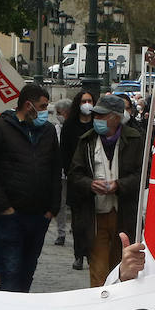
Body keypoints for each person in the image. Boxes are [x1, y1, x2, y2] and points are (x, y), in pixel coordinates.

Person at [0, 83, 64, 292]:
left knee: (28, 269)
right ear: (28, 105)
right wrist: (4, 206)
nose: (45, 112)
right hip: (11, 214)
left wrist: (53, 208)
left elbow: (55, 169)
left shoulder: (48, 131)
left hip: (40, 214)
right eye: (42, 107)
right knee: (11, 270)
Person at [69, 94, 142, 286]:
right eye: (96, 116)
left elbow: (142, 176)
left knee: (122, 269)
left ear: (116, 117)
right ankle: (99, 305)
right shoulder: (86, 141)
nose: (97, 120)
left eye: (102, 116)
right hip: (95, 217)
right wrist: (90, 184)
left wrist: (119, 185)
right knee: (99, 271)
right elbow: (75, 175)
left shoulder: (135, 139)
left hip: (123, 215)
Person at [60, 89, 97, 271]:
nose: (87, 104)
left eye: (90, 100)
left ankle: (91, 253)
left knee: (93, 220)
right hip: (76, 179)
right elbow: (64, 152)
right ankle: (78, 254)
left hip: (96, 179)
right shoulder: (69, 126)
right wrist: (71, 173)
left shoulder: (98, 125)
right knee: (78, 221)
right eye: (84, 101)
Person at [50, 98, 72, 248]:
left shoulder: (74, 128)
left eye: (59, 113)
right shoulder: (56, 128)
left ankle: (75, 230)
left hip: (74, 171)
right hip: (61, 172)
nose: (58, 115)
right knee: (61, 203)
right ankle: (61, 232)